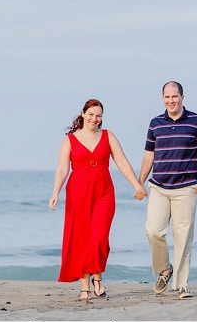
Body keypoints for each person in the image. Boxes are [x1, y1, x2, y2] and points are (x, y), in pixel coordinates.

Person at [49, 99, 147, 301]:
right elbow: (62, 169)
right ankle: (85, 286)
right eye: (92, 114)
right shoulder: (70, 139)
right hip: (78, 193)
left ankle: (98, 277)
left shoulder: (107, 136)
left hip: (104, 192)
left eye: (99, 115)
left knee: (100, 237)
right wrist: (55, 192)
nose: (95, 119)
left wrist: (137, 185)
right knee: (82, 239)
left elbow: (121, 161)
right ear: (83, 114)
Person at [139, 81, 197, 300]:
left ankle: (181, 285)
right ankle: (164, 269)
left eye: (175, 97)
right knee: (153, 230)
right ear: (163, 98)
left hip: (186, 187)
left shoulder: (196, 121)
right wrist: (139, 182)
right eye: (167, 97)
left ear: (182, 97)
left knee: (183, 237)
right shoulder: (155, 123)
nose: (171, 101)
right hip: (159, 187)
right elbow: (148, 155)